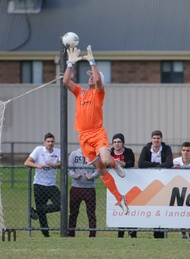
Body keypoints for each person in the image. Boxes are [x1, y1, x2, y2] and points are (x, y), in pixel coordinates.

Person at [63, 46, 129, 215]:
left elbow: (99, 80)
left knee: (106, 160)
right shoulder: (80, 92)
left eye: (93, 75)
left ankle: (115, 164)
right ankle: (120, 199)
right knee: (100, 169)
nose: (91, 77)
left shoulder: (99, 92)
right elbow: (65, 81)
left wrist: (92, 61)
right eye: (90, 76)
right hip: (83, 137)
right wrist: (70, 63)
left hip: (97, 132)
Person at [24, 132, 61, 237]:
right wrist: (37, 165)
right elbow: (27, 162)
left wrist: (54, 164)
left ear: (54, 142)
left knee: (61, 204)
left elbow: (63, 163)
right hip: (39, 185)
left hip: (51, 185)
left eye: (52, 141)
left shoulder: (58, 151)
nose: (50, 143)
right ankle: (46, 234)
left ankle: (35, 210)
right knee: (42, 214)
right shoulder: (38, 150)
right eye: (48, 141)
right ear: (44, 142)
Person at [138, 130, 173, 239]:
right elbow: (141, 163)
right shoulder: (146, 149)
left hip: (164, 183)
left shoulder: (166, 149)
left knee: (163, 207)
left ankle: (162, 232)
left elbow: (169, 163)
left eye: (158, 138)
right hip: (149, 184)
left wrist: (154, 168)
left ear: (161, 139)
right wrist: (158, 165)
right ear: (151, 139)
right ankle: (155, 231)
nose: (156, 140)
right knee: (153, 207)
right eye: (154, 138)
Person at [68, 147, 100, 238]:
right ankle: (71, 234)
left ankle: (92, 235)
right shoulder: (74, 154)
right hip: (76, 188)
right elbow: (69, 168)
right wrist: (74, 175)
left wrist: (92, 176)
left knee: (91, 213)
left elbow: (99, 169)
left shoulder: (95, 155)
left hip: (89, 188)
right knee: (73, 213)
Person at [110, 133, 136, 238]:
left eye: (119, 142)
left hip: (128, 183)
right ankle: (120, 234)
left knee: (132, 206)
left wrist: (119, 163)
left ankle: (133, 233)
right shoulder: (109, 152)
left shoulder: (128, 152)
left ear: (123, 143)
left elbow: (131, 163)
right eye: (115, 142)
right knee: (118, 208)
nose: (117, 144)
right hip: (115, 184)